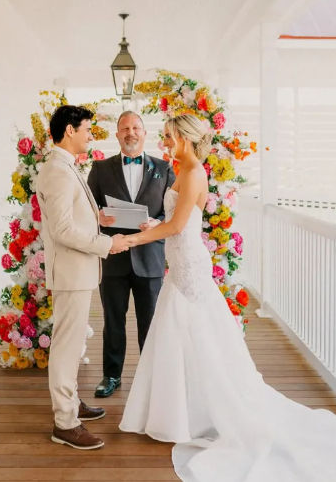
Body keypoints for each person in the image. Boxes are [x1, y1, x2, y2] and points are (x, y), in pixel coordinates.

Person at [119, 114, 336, 481]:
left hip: (189, 266)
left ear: (185, 138)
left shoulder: (193, 173)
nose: (164, 143)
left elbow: (177, 225)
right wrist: (153, 225)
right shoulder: (183, 169)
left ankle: (204, 412)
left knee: (200, 337)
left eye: (169, 137)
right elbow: (177, 222)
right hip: (181, 260)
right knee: (176, 337)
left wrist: (132, 239)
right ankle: (180, 412)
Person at [36, 105, 128, 450]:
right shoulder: (57, 171)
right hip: (72, 272)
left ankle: (72, 403)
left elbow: (72, 217)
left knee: (73, 344)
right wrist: (107, 243)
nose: (91, 135)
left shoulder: (65, 167)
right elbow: (61, 230)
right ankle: (65, 422)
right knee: (66, 346)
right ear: (70, 130)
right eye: (88, 129)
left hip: (79, 271)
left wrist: (99, 218)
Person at [87, 111, 175, 398]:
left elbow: (172, 212)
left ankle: (152, 377)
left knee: (150, 321)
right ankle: (111, 376)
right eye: (124, 128)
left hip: (149, 257)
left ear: (145, 133)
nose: (131, 132)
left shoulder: (164, 168)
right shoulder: (100, 169)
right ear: (117, 134)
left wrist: (158, 222)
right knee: (113, 320)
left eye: (136, 127)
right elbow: (87, 211)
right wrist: (98, 217)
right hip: (112, 256)